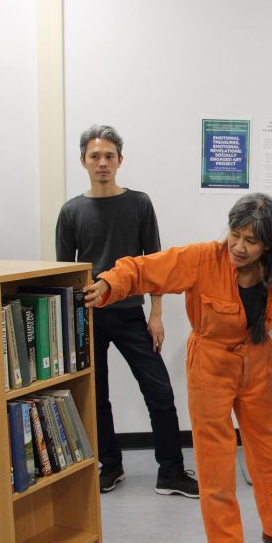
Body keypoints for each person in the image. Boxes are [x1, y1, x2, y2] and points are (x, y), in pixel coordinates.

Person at [83, 193, 272, 543]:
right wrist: (110, 283)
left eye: (251, 241)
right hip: (211, 366)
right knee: (216, 462)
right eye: (235, 235)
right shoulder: (202, 258)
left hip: (260, 366)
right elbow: (144, 269)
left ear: (269, 244)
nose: (239, 247)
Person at [56, 125, 198, 498]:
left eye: (109, 156)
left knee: (160, 391)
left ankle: (170, 471)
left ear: (120, 161)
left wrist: (157, 314)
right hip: (89, 317)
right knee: (96, 395)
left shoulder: (139, 203)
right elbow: (65, 272)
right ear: (83, 162)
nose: (102, 162)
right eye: (94, 156)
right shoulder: (71, 211)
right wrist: (71, 325)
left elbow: (155, 262)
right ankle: (110, 466)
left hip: (132, 313)